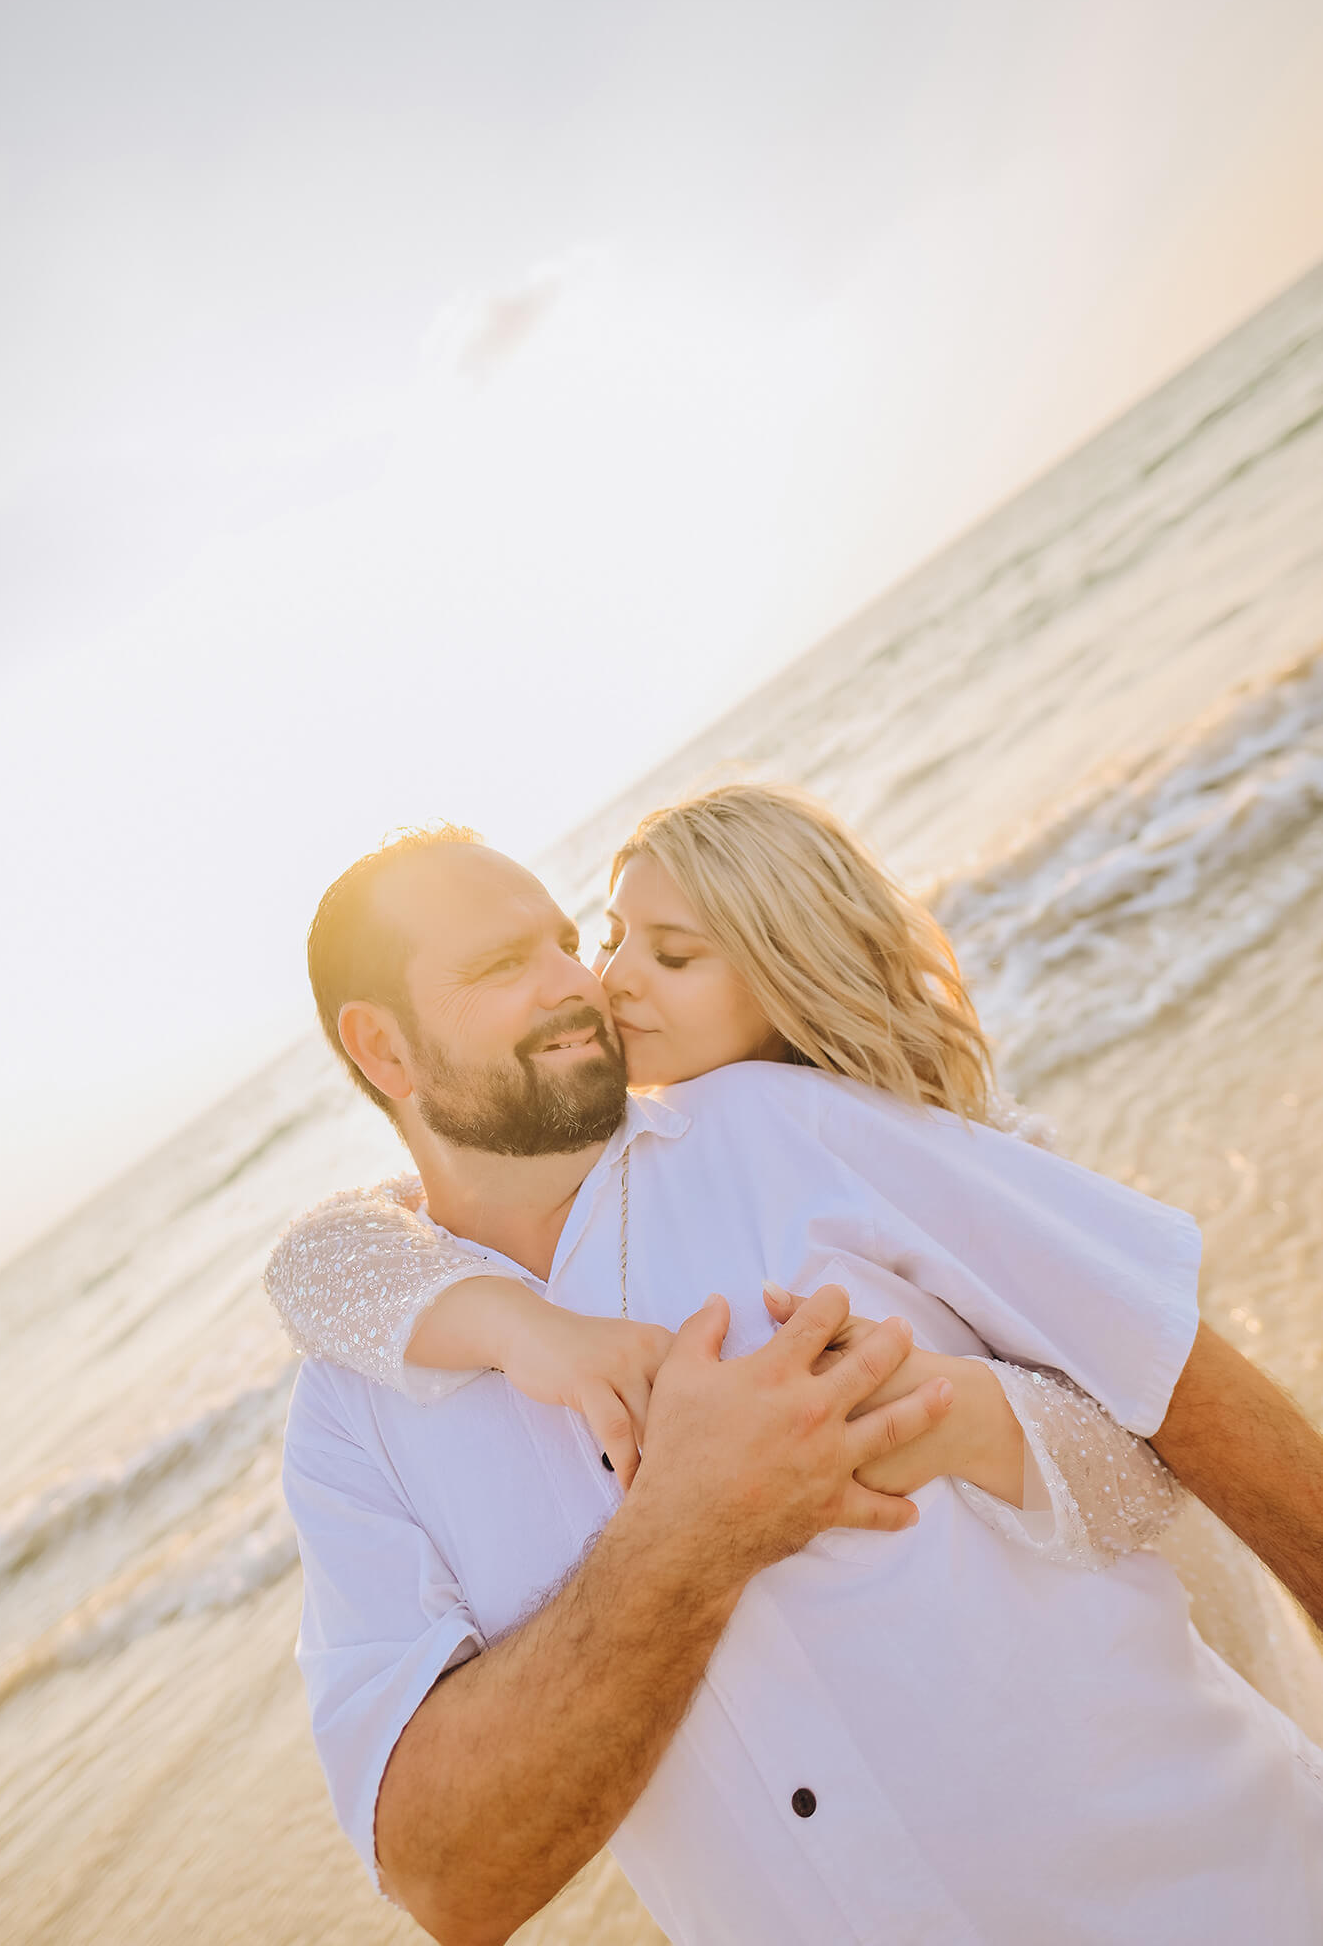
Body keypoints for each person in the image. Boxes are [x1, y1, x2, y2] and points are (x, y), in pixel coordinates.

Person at [277, 799, 1323, 1946]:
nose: (577, 982)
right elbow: (449, 1881)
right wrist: (691, 1525)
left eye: (569, 942)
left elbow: (1176, 1375)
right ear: (382, 1048)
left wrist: (983, 1421)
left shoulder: (780, 1125)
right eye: (499, 965)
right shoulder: (353, 1411)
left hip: (1228, 1889)